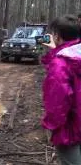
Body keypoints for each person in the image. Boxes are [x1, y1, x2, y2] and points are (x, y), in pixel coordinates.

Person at [41, 14, 81, 165]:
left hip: (69, 130)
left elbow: (57, 102)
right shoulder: (74, 56)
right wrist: (56, 50)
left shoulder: (60, 63)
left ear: (57, 35)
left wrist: (51, 125)